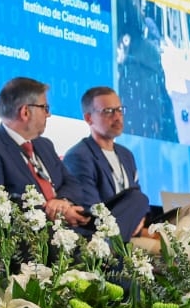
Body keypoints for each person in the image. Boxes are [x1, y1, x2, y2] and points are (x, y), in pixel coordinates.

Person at [0, 77, 89, 227]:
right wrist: (53, 213)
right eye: (45, 108)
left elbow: (73, 184)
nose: (48, 114)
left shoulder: (45, 145)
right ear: (25, 112)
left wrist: (61, 202)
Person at [63, 86, 156, 247]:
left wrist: (138, 221)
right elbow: (91, 212)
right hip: (103, 241)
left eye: (119, 110)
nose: (117, 117)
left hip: (133, 231)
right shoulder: (79, 156)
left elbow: (138, 202)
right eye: (108, 111)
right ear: (88, 118)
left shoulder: (126, 155)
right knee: (171, 251)